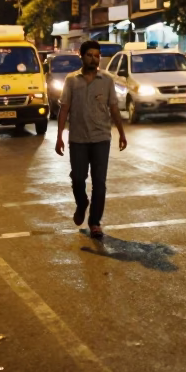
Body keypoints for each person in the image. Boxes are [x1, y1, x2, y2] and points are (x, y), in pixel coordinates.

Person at [55, 39, 127, 239]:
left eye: (97, 56)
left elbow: (113, 108)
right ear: (82, 56)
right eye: (90, 55)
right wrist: (59, 136)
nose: (94, 59)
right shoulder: (71, 80)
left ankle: (95, 222)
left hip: (101, 137)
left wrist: (121, 133)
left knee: (99, 183)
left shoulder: (107, 80)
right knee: (78, 178)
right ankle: (82, 203)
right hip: (77, 139)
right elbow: (64, 108)